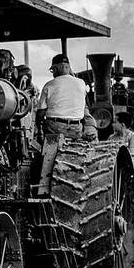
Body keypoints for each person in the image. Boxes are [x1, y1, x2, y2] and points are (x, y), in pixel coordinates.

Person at [35, 53, 89, 195]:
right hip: (76, 128)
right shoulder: (81, 83)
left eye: (53, 70)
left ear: (59, 68)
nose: (53, 73)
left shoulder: (50, 85)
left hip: (55, 127)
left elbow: (41, 112)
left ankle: (43, 185)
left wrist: (37, 126)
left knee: (42, 151)